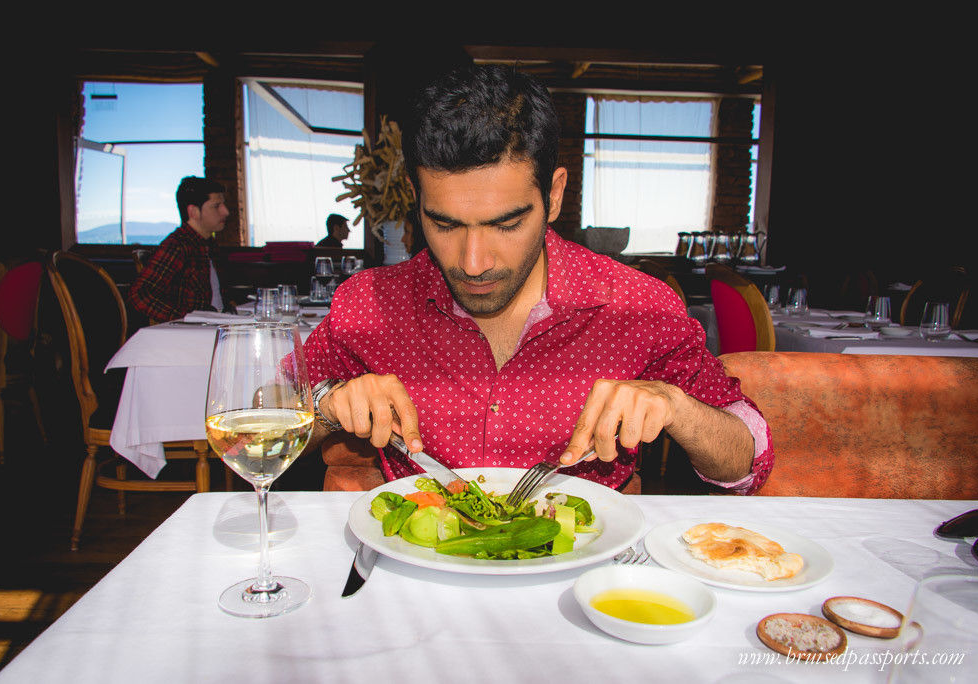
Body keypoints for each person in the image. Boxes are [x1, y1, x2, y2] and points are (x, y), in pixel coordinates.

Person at [303, 65, 773, 494]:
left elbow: (747, 462)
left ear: (554, 195)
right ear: (415, 196)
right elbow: (262, 416)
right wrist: (328, 404)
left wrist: (675, 405)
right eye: (445, 224)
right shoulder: (370, 305)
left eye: (506, 224)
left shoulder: (638, 305)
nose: (473, 262)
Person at [128, 177, 229, 323]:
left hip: (217, 327)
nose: (225, 212)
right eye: (216, 206)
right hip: (194, 337)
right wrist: (187, 318)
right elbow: (138, 295)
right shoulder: (178, 245)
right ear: (193, 211)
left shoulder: (209, 245)